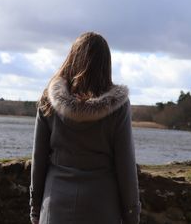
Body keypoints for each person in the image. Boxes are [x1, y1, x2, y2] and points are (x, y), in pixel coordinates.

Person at [29, 32, 141, 224]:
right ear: (106, 65)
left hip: (54, 208)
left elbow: (38, 162)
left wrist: (35, 210)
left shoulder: (48, 101)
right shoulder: (118, 107)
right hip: (102, 209)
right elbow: (126, 166)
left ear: (72, 59)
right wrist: (132, 214)